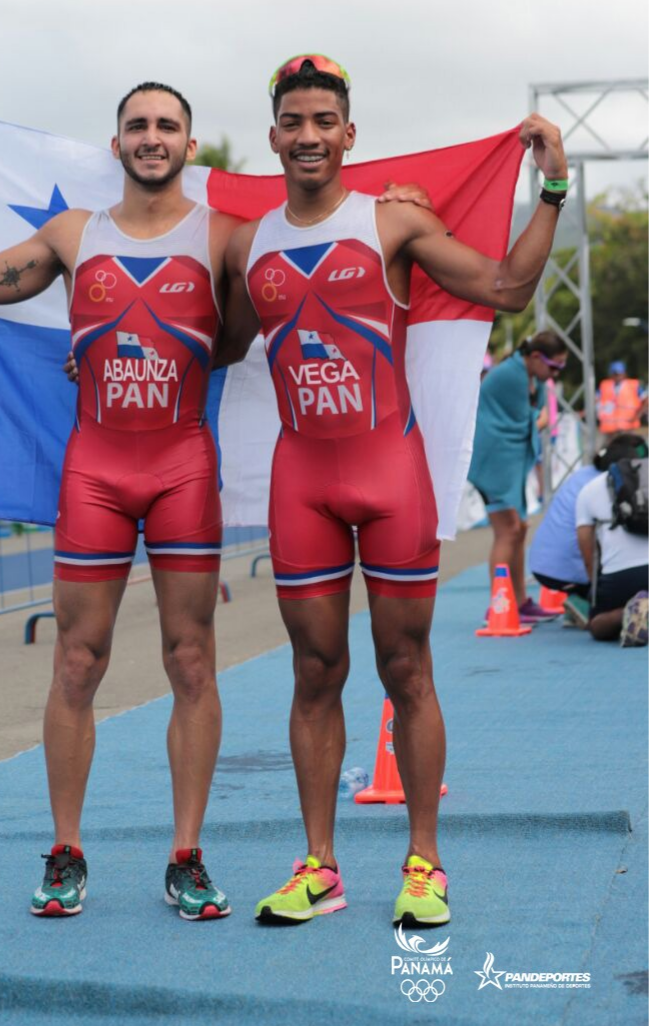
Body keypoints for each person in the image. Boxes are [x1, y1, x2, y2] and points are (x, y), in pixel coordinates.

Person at [214, 55, 568, 928]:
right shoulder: (248, 240)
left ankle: (424, 864)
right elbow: (216, 345)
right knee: (313, 672)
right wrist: (94, 355)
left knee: (405, 667)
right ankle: (321, 869)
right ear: (274, 138)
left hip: (389, 472)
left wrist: (551, 185)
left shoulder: (392, 223)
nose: (307, 136)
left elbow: (508, 287)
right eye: (292, 123)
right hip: (303, 483)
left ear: (348, 135)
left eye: (322, 122)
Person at [0, 83, 245, 921]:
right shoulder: (73, 234)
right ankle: (65, 850)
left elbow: (311, 249)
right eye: (139, 125)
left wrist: (400, 203)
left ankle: (187, 855)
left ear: (191, 147)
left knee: (190, 661)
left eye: (168, 126)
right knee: (76, 662)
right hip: (94, 468)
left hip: (182, 468)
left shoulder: (228, 235)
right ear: (117, 141)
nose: (152, 137)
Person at [468, 332, 568, 621]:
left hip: (507, 460)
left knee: (520, 528)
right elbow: (529, 422)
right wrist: (541, 419)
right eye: (554, 367)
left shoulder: (530, 375)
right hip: (492, 462)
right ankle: (499, 604)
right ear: (536, 357)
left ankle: (520, 601)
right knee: (508, 530)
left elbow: (532, 420)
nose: (556, 374)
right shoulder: (511, 376)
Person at [528, 433, 648, 614]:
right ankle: (588, 604)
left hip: (543, 567)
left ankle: (591, 604)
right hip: (576, 570)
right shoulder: (614, 485)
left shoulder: (583, 475)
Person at [575, 437, 649, 641]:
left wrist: (595, 587)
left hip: (619, 576)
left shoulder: (588, 490)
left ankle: (624, 613)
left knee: (597, 625)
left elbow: (586, 547)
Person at [597, 361, 647, 439]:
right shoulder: (604, 385)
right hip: (610, 429)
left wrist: (638, 415)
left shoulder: (633, 385)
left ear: (624, 373)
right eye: (615, 374)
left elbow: (645, 401)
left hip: (628, 427)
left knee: (633, 447)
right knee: (608, 449)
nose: (617, 376)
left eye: (619, 373)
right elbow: (596, 401)